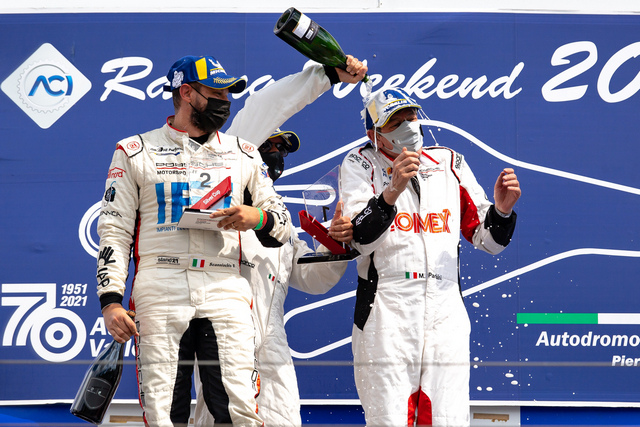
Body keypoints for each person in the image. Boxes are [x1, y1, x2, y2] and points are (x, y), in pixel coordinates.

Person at [97, 55, 294, 427]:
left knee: (238, 409)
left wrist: (257, 217)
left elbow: (281, 224)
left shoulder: (244, 154)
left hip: (225, 285)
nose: (226, 102)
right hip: (160, 286)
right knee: (162, 412)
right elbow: (115, 230)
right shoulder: (135, 151)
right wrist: (110, 301)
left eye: (228, 94)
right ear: (186, 93)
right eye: (216, 93)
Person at [193, 57, 367, 426]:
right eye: (271, 145)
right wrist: (326, 75)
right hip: (222, 335)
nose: (277, 155)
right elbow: (264, 107)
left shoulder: (278, 218)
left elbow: (312, 279)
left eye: (282, 151)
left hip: (272, 344)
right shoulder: (219, 185)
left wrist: (335, 246)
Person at [340, 88, 521, 426]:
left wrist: (502, 211)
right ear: (373, 134)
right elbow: (359, 239)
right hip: (386, 307)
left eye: (411, 116)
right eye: (395, 121)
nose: (408, 125)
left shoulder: (449, 162)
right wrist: (391, 191)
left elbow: (488, 241)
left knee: (448, 418)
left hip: (445, 307)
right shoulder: (360, 163)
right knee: (389, 418)